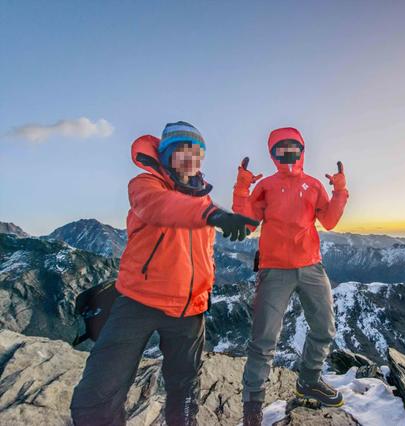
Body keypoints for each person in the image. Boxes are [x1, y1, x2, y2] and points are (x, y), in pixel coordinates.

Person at [70, 121, 258, 426]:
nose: (189, 159)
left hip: (190, 308)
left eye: (196, 153)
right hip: (138, 302)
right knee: (98, 393)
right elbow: (163, 207)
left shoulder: (204, 200)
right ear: (166, 155)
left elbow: (245, 224)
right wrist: (213, 215)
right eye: (181, 152)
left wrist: (241, 188)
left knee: (184, 395)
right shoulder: (145, 185)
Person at [232, 127, 349, 425]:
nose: (287, 153)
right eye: (280, 149)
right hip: (274, 269)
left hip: (311, 266)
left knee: (324, 328)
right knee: (264, 339)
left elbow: (330, 221)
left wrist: (339, 191)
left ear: (302, 149)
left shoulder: (312, 185)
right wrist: (242, 188)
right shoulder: (266, 186)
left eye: (292, 147)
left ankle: (309, 380)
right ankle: (253, 405)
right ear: (272, 154)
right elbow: (245, 225)